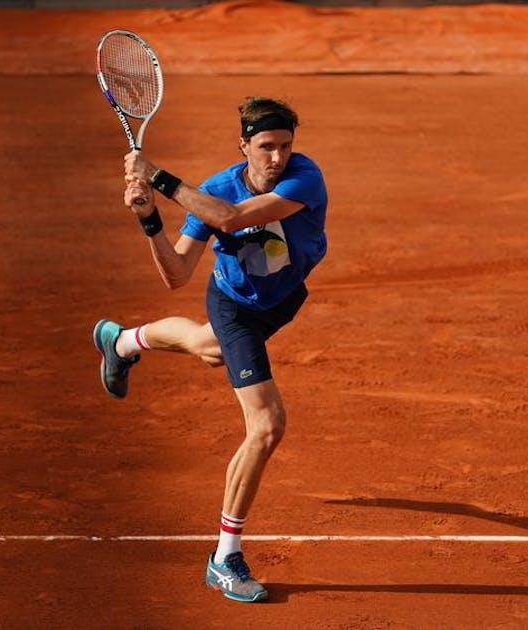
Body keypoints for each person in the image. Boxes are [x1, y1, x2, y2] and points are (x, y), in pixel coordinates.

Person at [92, 97, 328, 603]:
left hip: (283, 299)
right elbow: (176, 274)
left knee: (206, 346)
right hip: (236, 305)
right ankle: (225, 557)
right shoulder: (215, 189)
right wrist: (150, 220)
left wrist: (159, 180)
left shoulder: (305, 179)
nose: (277, 157)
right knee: (266, 426)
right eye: (266, 147)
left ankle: (123, 340)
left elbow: (234, 218)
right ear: (243, 145)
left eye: (285, 145)